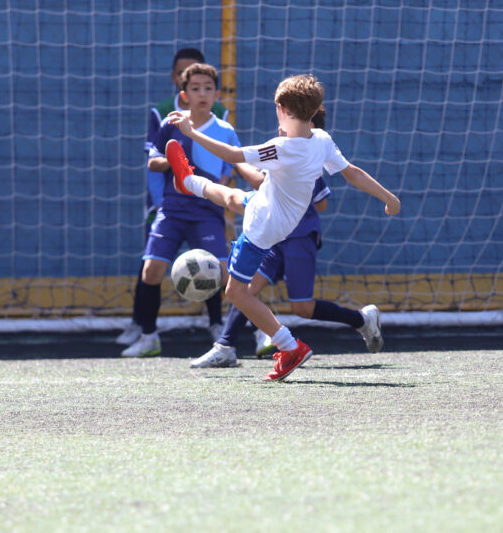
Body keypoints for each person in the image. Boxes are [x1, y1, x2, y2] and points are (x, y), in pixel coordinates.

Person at [165, 74, 400, 380]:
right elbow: (351, 173)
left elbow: (234, 156)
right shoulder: (321, 140)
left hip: (263, 227)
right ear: (314, 111)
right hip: (277, 212)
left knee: (236, 293)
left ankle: (290, 346)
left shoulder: (281, 147)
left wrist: (191, 131)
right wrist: (387, 196)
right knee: (233, 197)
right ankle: (188, 181)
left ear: (280, 107)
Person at [121, 62, 241, 358]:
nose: (202, 93)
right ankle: (149, 337)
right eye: (195, 88)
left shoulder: (224, 130)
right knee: (151, 271)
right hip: (173, 210)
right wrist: (175, 161)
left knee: (224, 274)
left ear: (216, 93)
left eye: (208, 88)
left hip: (206, 212)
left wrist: (222, 187)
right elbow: (153, 161)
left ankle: (222, 332)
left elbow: (232, 166)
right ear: (184, 94)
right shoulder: (172, 124)